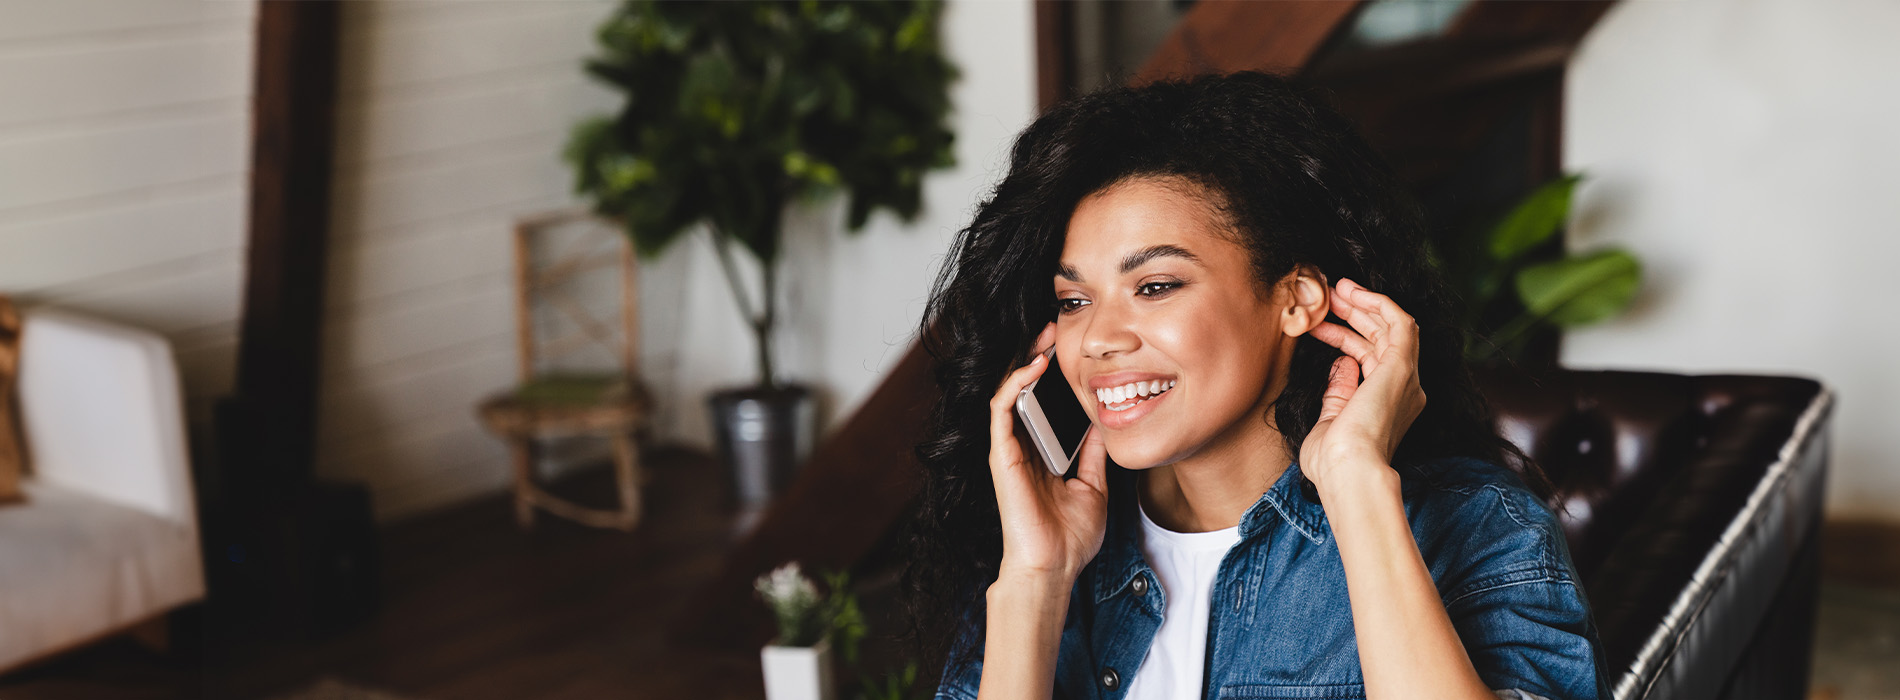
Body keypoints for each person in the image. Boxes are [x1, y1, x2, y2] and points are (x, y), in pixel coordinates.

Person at [902, 71, 1608, 700]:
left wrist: (1357, 486)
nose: (1098, 339)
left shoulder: (1484, 526)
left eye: (1154, 286)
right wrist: (1035, 582)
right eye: (1074, 300)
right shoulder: (1054, 540)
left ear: (1295, 299)